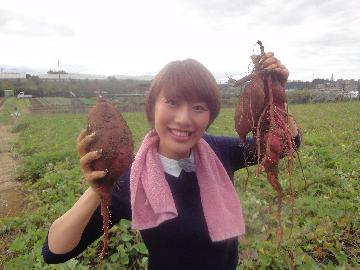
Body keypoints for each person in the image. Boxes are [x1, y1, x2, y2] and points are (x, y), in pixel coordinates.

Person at [42, 54, 300, 270]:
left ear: (210, 115)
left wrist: (274, 93)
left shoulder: (219, 151)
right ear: (153, 107)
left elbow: (289, 143)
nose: (184, 119)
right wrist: (97, 190)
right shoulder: (131, 178)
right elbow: (55, 252)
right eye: (172, 102)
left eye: (198, 107)